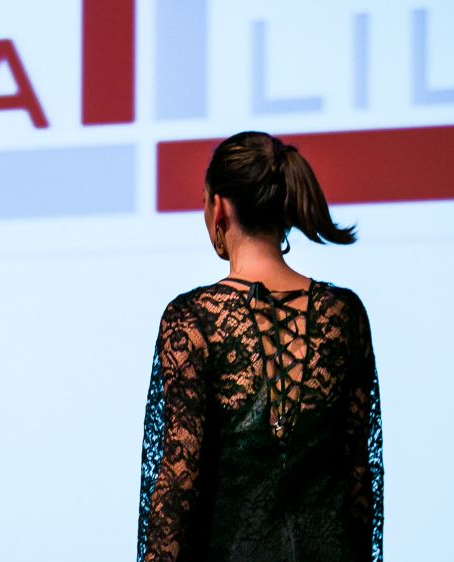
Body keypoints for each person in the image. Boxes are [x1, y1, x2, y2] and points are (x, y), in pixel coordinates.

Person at [136, 132, 383, 561]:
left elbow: (176, 490)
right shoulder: (343, 315)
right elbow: (359, 486)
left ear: (219, 207)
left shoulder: (193, 320)